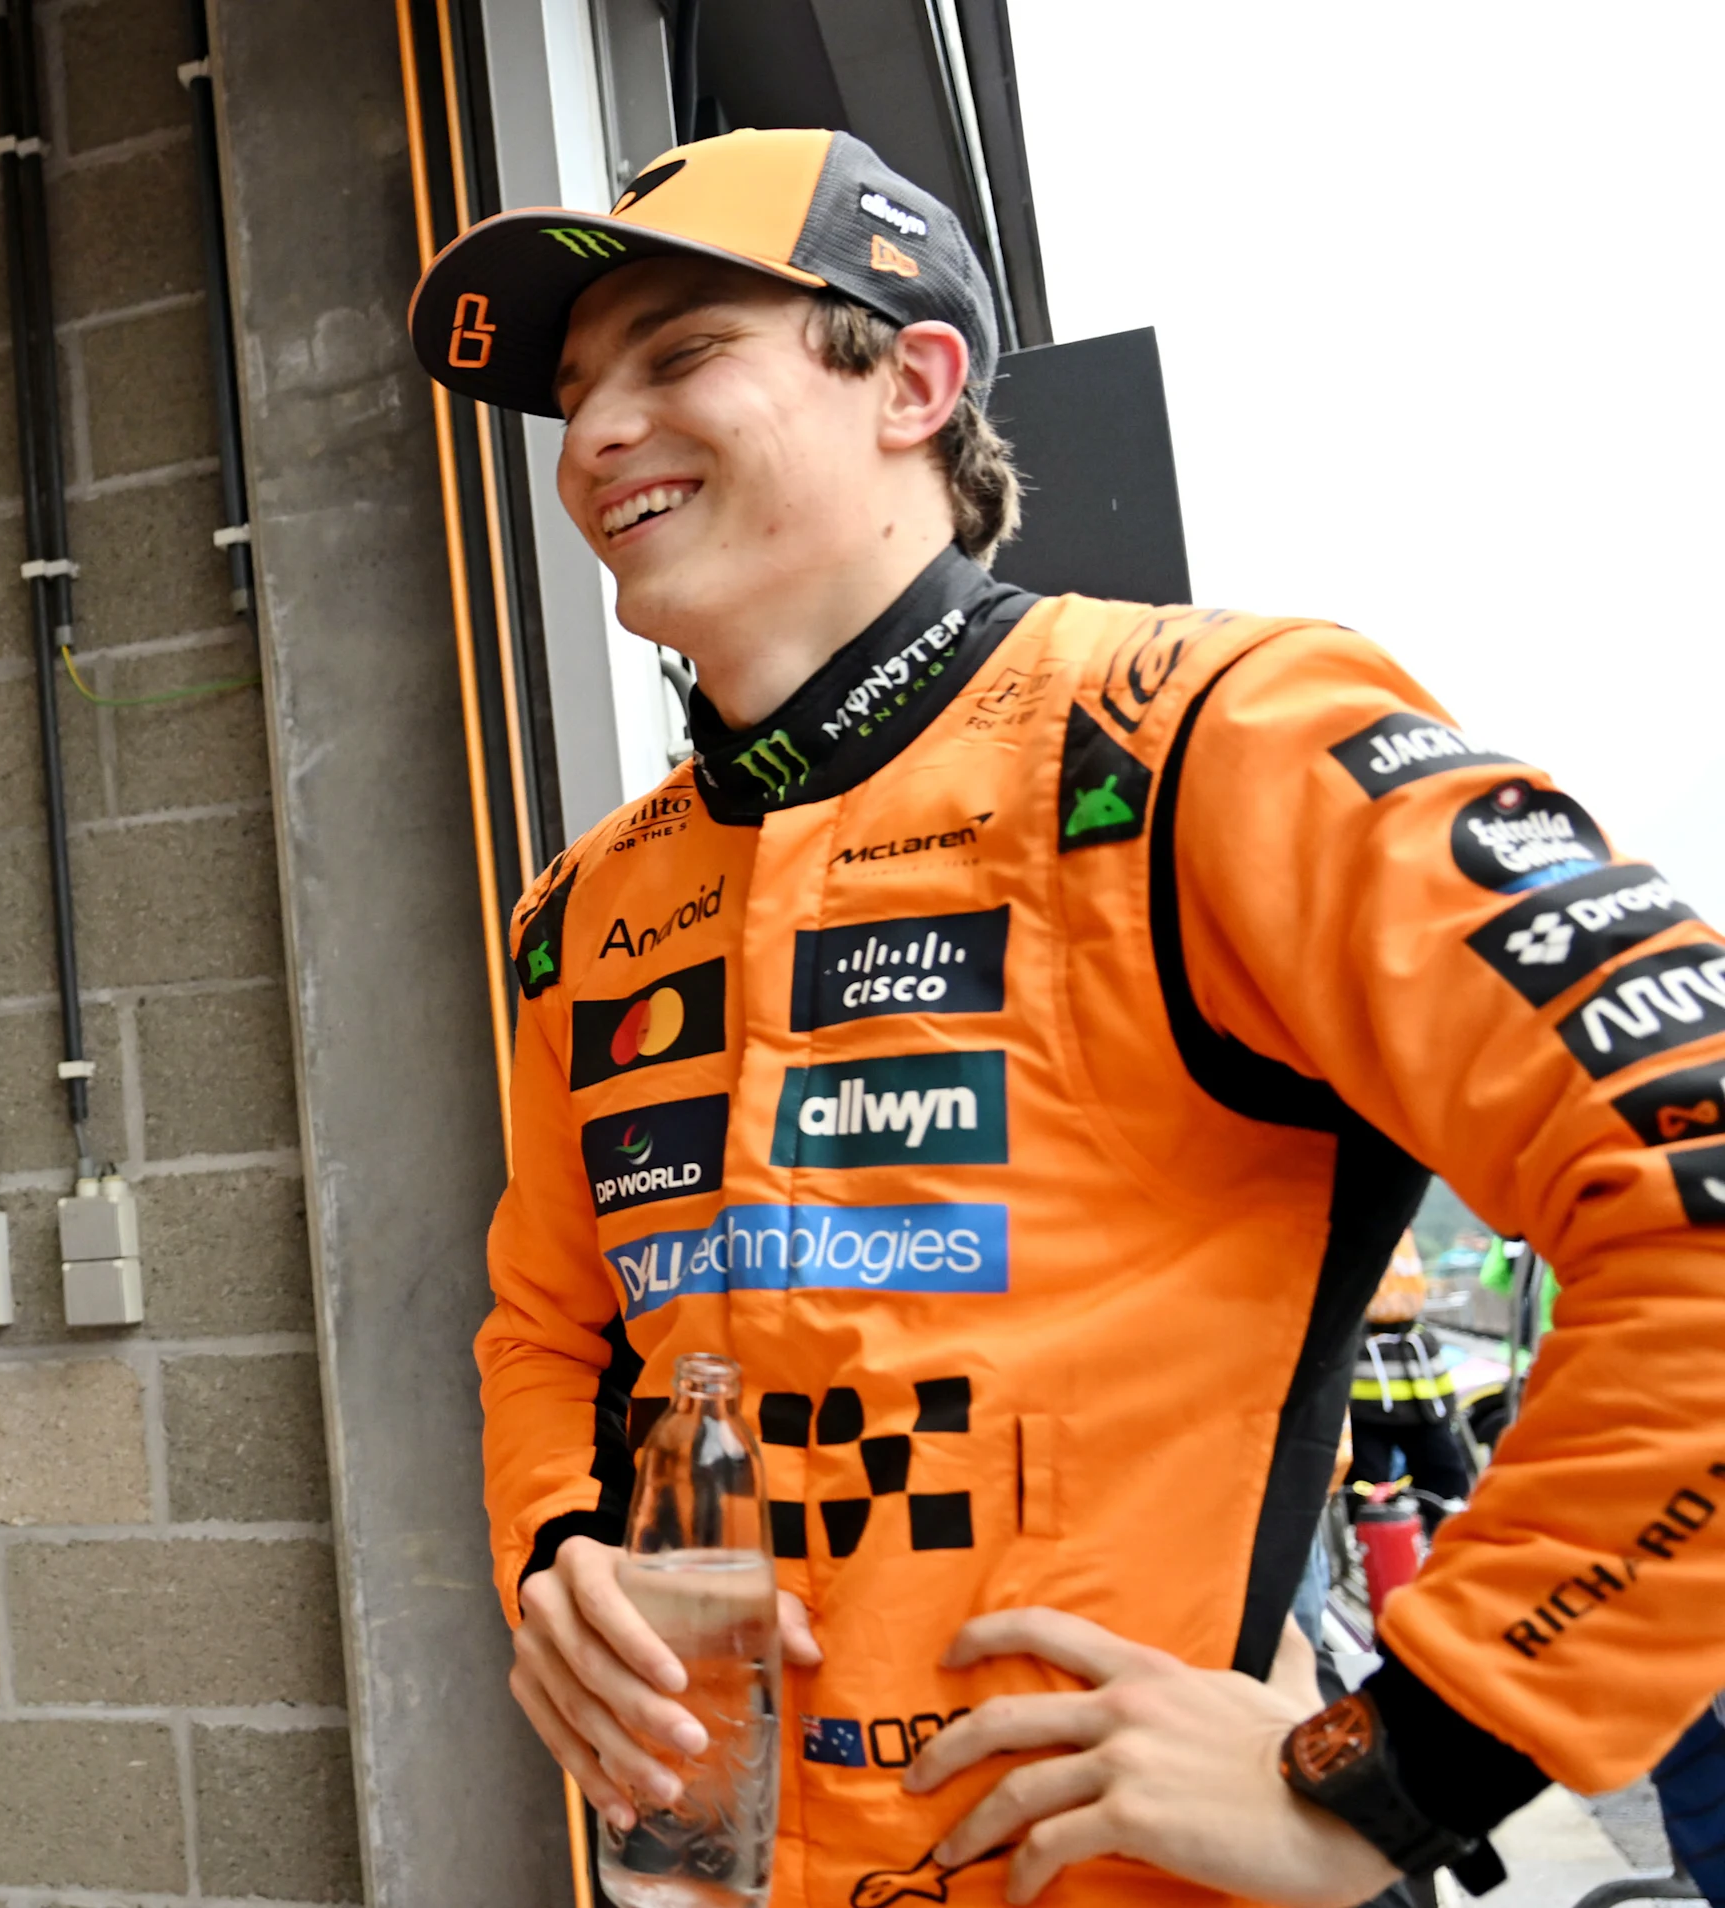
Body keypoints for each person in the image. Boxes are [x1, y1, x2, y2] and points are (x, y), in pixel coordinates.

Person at [416, 128, 1724, 1906]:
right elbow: (547, 1328)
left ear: (915, 381)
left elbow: (1697, 1177)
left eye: (679, 353)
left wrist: (1407, 1762)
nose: (593, 438)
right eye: (573, 395)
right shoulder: (583, 914)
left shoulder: (1203, 733)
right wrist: (557, 1556)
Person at [1345, 1236, 1472, 1533]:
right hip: (1367, 1380)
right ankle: (1376, 1552)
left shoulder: (1399, 1218)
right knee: (1367, 1486)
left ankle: (1445, 1541)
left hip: (1421, 1383)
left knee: (1447, 1475)